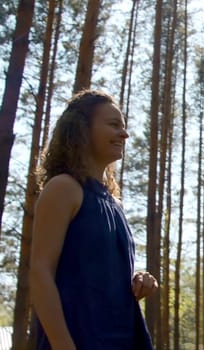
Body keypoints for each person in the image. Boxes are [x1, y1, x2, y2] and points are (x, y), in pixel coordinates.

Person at [29, 90, 157, 350]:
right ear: (81, 129)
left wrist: (140, 279)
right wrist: (63, 345)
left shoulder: (114, 203)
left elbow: (101, 273)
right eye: (113, 125)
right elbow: (40, 273)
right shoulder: (64, 188)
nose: (125, 134)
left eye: (124, 126)